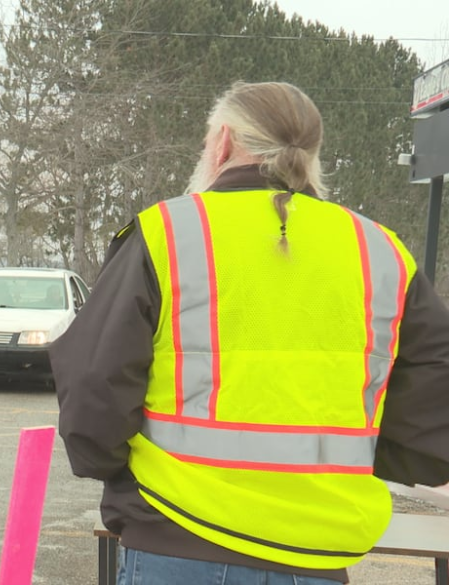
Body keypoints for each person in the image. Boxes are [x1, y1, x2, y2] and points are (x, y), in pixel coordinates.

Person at [50, 81, 449, 584]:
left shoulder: (167, 233)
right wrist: (365, 462)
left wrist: (111, 468)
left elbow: (94, 384)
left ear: (222, 142)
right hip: (318, 554)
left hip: (178, 538)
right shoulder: (383, 253)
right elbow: (434, 405)